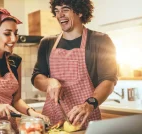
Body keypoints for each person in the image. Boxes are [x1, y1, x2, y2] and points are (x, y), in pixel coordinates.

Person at [31, 0, 118, 129]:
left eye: (65, 9)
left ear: (81, 11)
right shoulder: (47, 43)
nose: (60, 15)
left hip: (85, 118)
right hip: (52, 120)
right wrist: (49, 82)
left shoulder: (100, 40)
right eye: (57, 11)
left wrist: (89, 104)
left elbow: (109, 80)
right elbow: (36, 78)